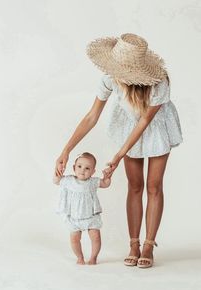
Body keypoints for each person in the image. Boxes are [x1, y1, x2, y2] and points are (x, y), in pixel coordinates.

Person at [54, 33, 183, 268]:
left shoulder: (159, 81)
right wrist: (66, 149)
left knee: (154, 186)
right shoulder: (109, 79)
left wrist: (117, 156)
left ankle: (148, 245)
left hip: (156, 128)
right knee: (135, 186)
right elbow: (92, 116)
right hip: (128, 127)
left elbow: (145, 122)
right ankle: (133, 244)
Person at [53, 152, 111, 265]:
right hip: (74, 217)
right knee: (74, 239)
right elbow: (56, 181)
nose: (82, 170)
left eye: (87, 168)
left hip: (91, 217)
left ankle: (93, 258)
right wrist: (58, 171)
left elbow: (105, 184)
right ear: (74, 167)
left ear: (93, 171)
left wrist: (107, 177)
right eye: (79, 166)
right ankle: (79, 257)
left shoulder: (92, 182)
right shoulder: (69, 180)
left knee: (96, 238)